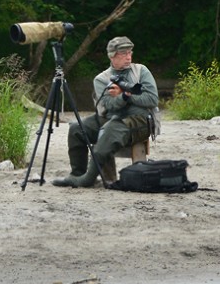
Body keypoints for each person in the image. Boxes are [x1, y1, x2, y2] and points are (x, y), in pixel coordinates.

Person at [52, 36, 159, 188]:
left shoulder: (141, 71)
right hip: (111, 116)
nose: (128, 57)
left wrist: (127, 96)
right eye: (123, 54)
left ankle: (87, 179)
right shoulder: (102, 79)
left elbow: (153, 99)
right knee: (77, 128)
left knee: (109, 130)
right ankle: (77, 174)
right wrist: (122, 97)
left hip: (141, 120)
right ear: (112, 56)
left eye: (130, 52)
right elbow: (109, 105)